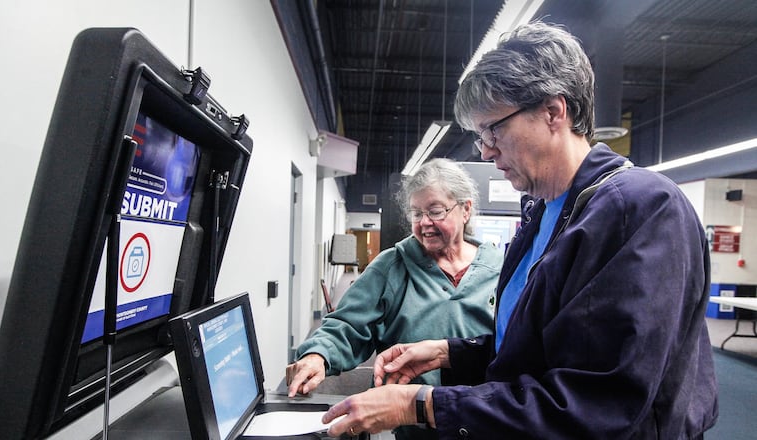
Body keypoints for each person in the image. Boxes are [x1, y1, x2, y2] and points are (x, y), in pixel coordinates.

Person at [319, 21, 718, 439]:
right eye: (479, 136)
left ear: (553, 111)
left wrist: (419, 404)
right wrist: (450, 352)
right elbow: (535, 351)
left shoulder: (637, 210)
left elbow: (597, 402)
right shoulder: (544, 213)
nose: (486, 150)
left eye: (494, 128)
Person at [286, 158, 504, 439]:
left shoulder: (500, 267)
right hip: (414, 426)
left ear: (465, 210)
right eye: (416, 213)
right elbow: (348, 325)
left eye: (435, 211)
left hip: (485, 419)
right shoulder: (392, 265)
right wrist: (319, 354)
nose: (425, 223)